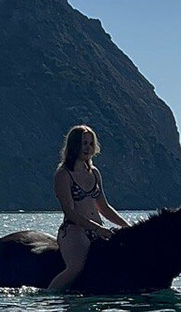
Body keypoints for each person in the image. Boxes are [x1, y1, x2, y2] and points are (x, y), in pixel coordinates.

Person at [47, 125, 129, 292]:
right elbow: (70, 212)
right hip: (74, 231)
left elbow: (104, 207)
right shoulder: (63, 174)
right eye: (83, 143)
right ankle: (50, 296)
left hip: (98, 230)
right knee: (76, 267)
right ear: (74, 145)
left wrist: (127, 226)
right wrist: (97, 228)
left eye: (91, 144)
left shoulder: (94, 173)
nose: (87, 148)